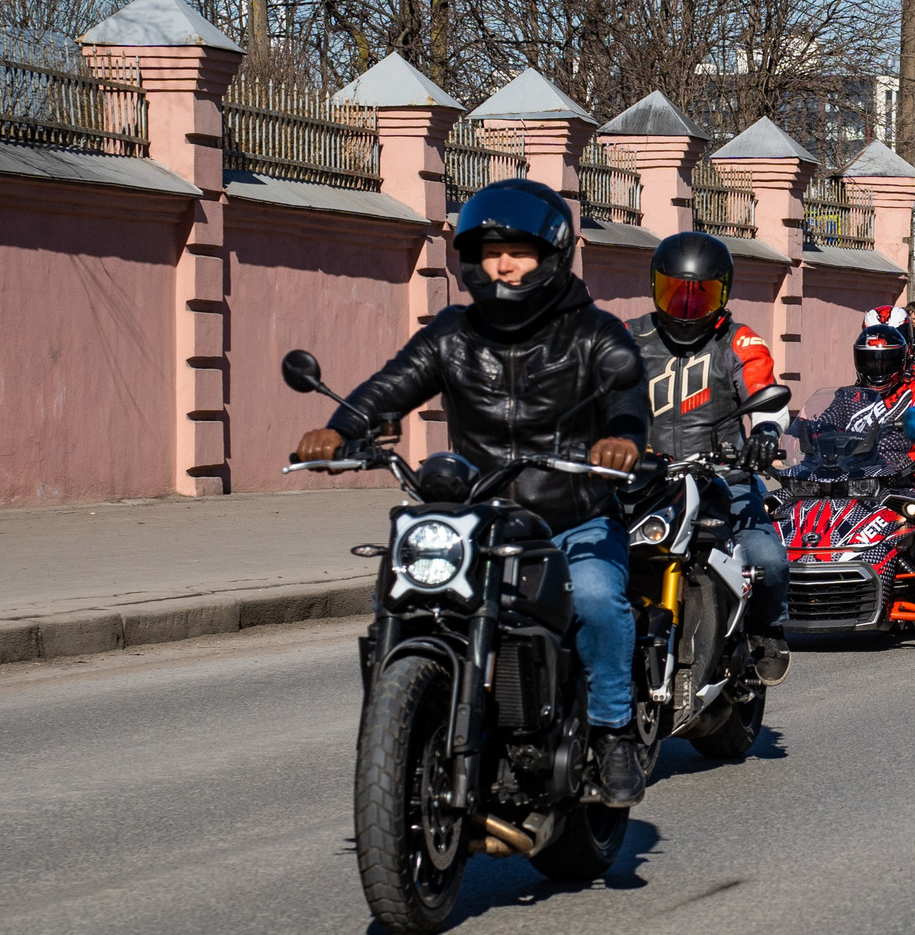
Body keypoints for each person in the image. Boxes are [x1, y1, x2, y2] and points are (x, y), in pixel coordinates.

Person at [295, 178, 655, 804]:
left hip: (574, 516)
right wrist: (340, 429)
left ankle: (612, 730)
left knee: (598, 599)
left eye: (518, 251)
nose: (503, 264)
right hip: (479, 516)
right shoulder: (452, 334)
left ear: (552, 255)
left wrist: (620, 440)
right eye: (491, 253)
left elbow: (626, 395)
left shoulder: (595, 332)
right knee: (406, 592)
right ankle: (401, 721)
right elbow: (391, 386)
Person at [626, 230, 792, 685]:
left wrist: (764, 433)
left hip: (725, 481)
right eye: (674, 292)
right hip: (648, 484)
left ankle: (765, 632)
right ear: (655, 286)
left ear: (723, 293)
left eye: (700, 296)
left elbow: (766, 396)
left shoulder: (738, 341)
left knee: (769, 560)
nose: (685, 307)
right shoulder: (629, 337)